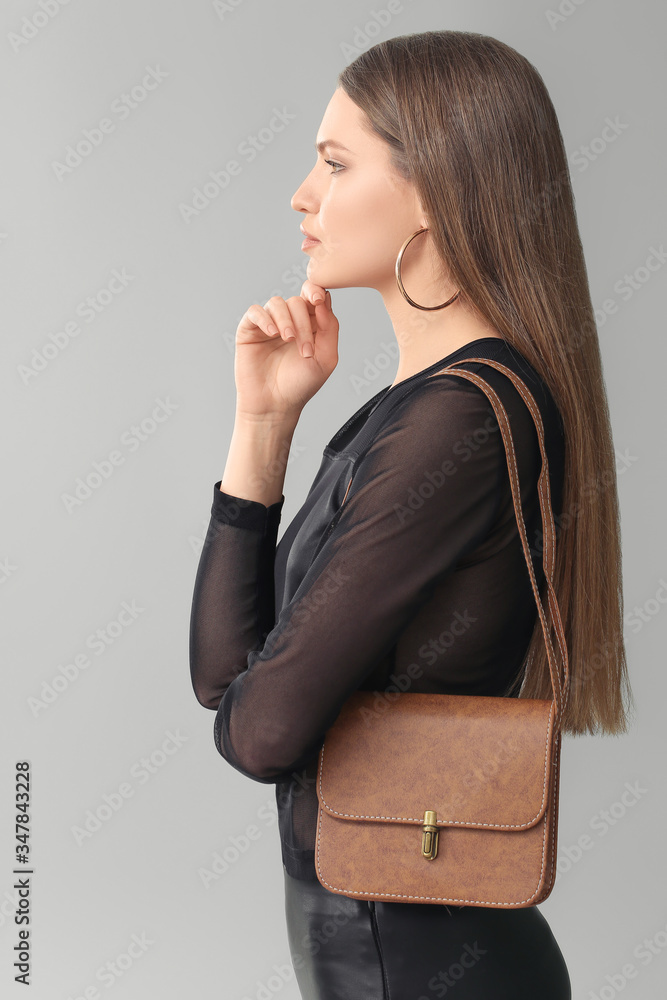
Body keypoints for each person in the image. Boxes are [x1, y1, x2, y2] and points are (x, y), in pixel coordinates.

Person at [189, 30, 633, 1000]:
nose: (302, 193)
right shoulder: (419, 407)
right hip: (394, 952)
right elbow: (225, 680)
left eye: (335, 163)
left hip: (416, 959)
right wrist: (262, 425)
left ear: (432, 189)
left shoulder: (461, 418)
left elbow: (259, 729)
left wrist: (251, 707)